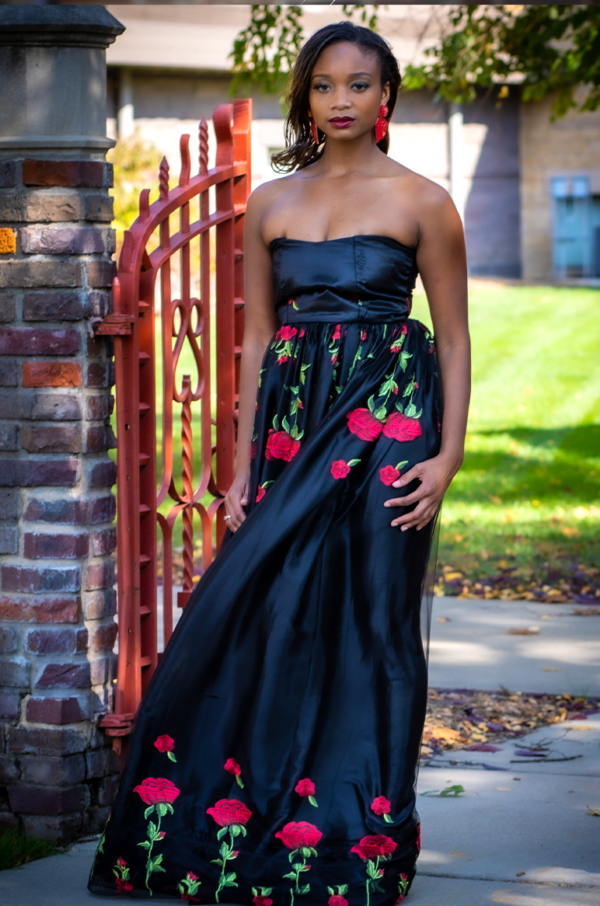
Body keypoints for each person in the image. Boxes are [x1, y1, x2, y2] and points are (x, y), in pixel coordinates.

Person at [88, 20, 470, 906]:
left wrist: (446, 455)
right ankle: (227, 828)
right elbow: (257, 339)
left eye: (359, 85)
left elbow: (451, 337)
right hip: (295, 428)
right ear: (306, 96)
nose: (341, 100)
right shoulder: (271, 201)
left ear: (386, 98)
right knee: (259, 609)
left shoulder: (425, 202)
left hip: (392, 426)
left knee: (375, 625)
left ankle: (360, 847)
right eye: (325, 85)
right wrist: (237, 463)